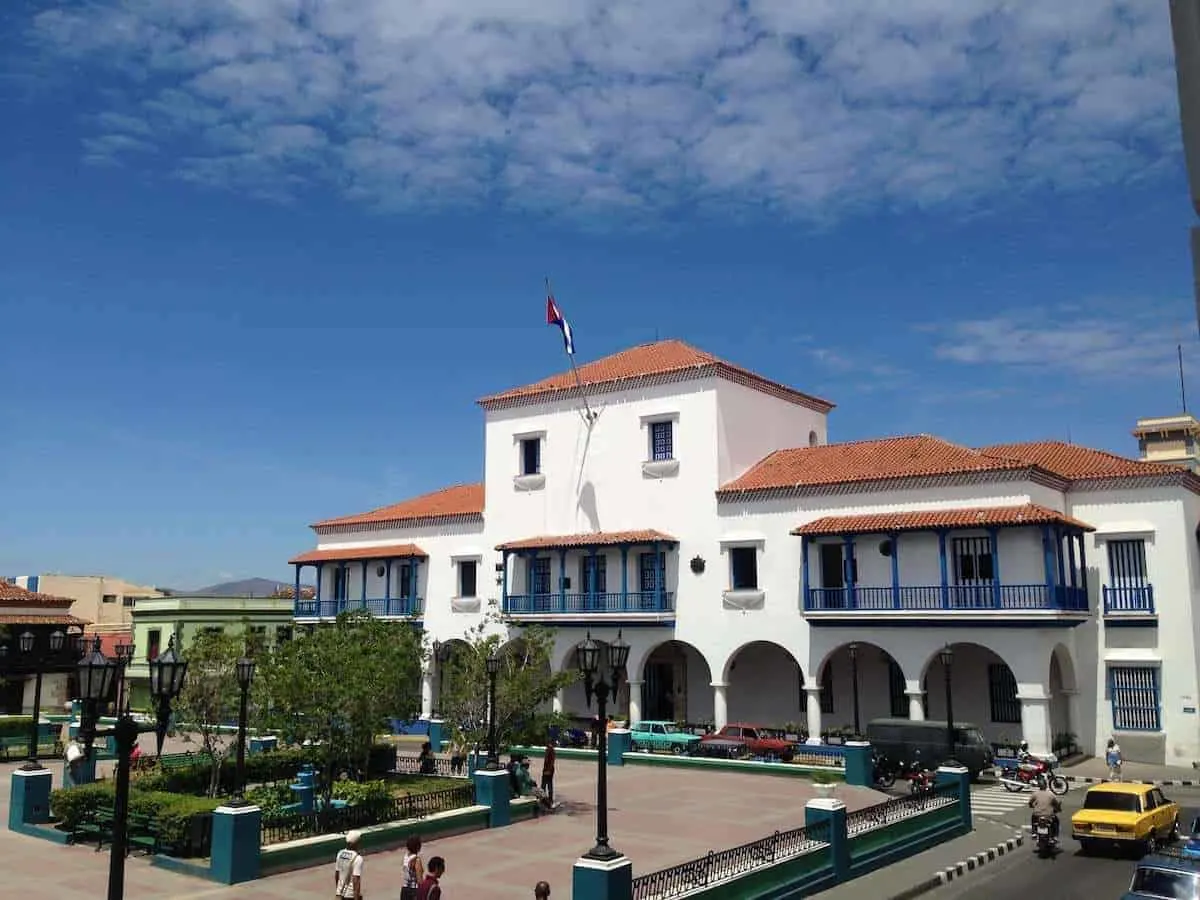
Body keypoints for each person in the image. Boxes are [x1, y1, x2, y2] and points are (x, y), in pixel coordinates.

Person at [1027, 776, 1062, 843]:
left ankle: (1034, 832)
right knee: (1056, 822)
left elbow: (1030, 803)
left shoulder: (1035, 793)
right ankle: (1055, 836)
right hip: (1048, 815)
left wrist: (1032, 806)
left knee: (1033, 818)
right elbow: (1056, 804)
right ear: (1046, 785)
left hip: (1037, 814)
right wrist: (1058, 809)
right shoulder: (1051, 794)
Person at [334, 830, 364, 900]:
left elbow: (337, 874)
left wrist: (338, 890)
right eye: (359, 841)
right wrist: (356, 897)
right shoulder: (357, 858)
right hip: (350, 896)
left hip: (340, 894)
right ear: (355, 844)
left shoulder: (340, 853)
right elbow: (356, 880)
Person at [401, 834, 424, 900]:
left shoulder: (405, 857)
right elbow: (419, 880)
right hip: (414, 891)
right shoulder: (416, 860)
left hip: (404, 890)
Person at [541, 738, 556, 805]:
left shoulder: (551, 750)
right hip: (547, 769)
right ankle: (545, 798)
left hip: (549, 769)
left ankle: (549, 799)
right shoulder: (548, 749)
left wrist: (548, 770)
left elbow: (552, 761)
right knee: (544, 785)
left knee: (547, 784)